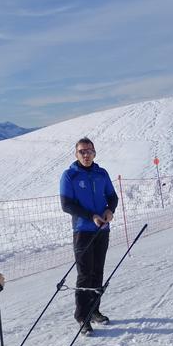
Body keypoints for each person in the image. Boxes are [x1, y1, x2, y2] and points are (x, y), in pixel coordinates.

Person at [59, 137, 119, 335]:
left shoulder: (101, 173)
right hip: (83, 230)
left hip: (102, 230)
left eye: (89, 151)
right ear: (76, 154)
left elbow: (112, 196)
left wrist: (110, 210)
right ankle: (82, 316)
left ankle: (95, 310)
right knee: (85, 274)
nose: (86, 155)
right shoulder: (70, 176)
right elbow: (67, 205)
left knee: (98, 272)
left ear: (94, 153)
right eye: (82, 151)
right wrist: (90, 216)